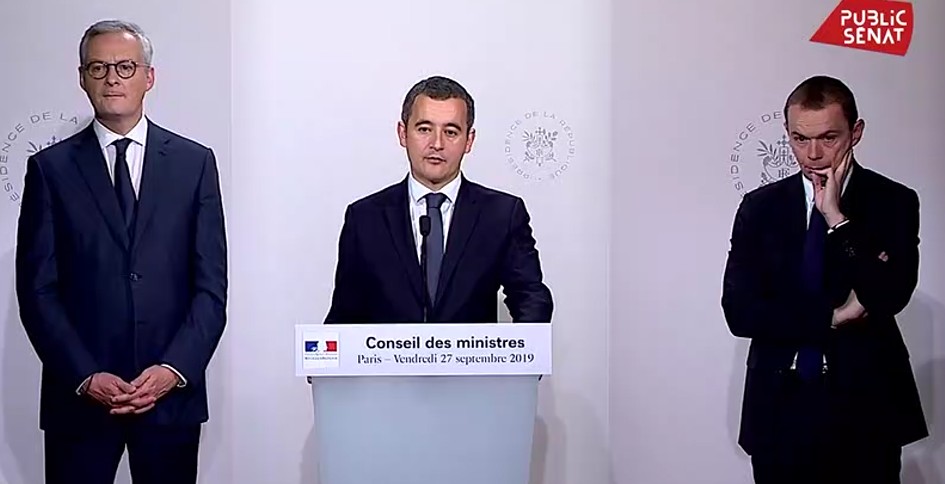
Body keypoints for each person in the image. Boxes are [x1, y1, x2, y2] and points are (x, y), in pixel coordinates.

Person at [15, 20, 227, 484]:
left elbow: (211, 288)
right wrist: (85, 375)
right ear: (82, 78)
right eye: (99, 67)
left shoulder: (194, 164)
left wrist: (173, 369)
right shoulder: (50, 170)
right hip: (80, 403)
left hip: (170, 401)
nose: (112, 78)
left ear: (148, 77)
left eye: (125, 67)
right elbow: (37, 291)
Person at [721, 75, 927, 483]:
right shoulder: (760, 208)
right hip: (780, 406)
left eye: (829, 138)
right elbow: (740, 313)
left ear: (856, 132)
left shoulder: (894, 201)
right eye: (800, 139)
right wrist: (830, 317)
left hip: (867, 407)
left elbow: (889, 294)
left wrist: (837, 220)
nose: (813, 154)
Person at [324, 75, 553, 325]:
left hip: (472, 352)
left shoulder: (502, 214)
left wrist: (520, 346)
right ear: (403, 133)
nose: (437, 144)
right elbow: (344, 317)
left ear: (469, 141)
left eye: (451, 132)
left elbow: (531, 298)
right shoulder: (364, 218)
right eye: (424, 129)